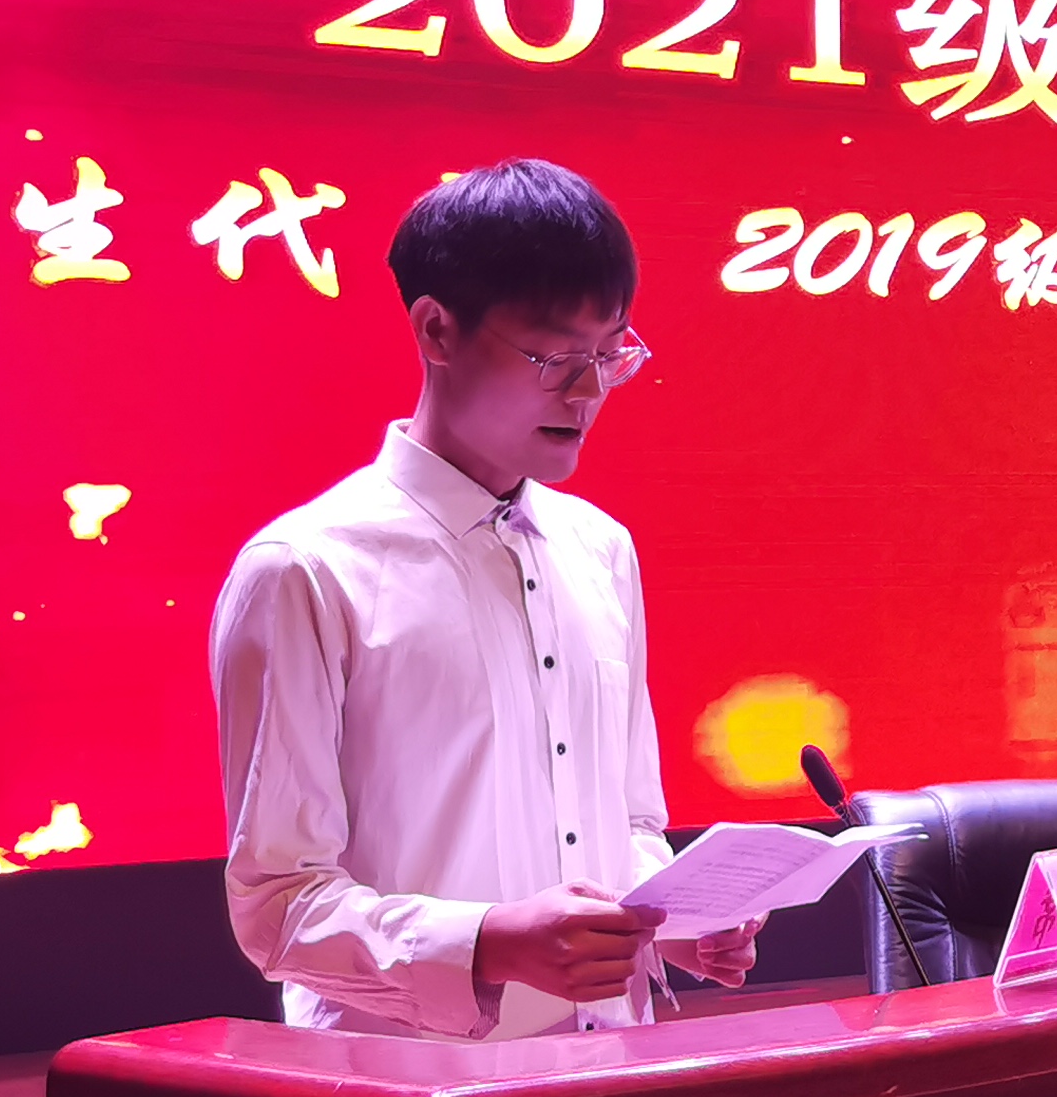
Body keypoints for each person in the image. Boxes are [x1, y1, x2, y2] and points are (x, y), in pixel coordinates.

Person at [210, 159, 761, 1040]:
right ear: (436, 329)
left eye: (608, 354)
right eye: (554, 357)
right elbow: (277, 905)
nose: (587, 393)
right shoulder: (306, 569)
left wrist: (671, 921)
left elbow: (627, 820)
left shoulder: (600, 549)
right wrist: (487, 944)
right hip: (401, 1084)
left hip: (613, 1060)